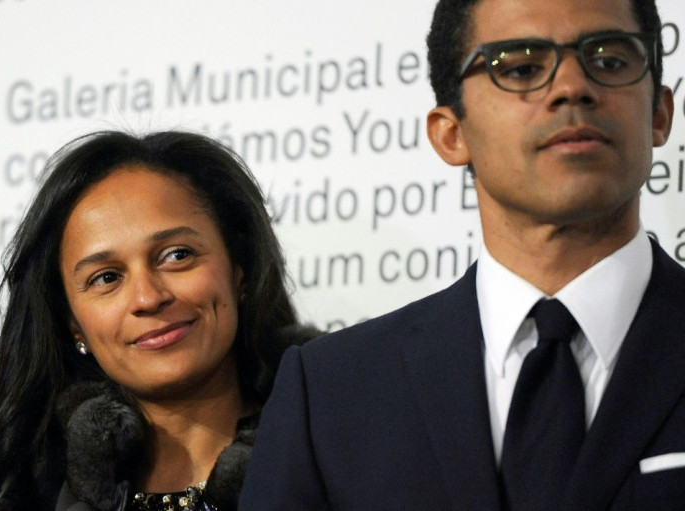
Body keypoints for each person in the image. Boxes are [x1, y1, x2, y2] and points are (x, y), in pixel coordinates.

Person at [240, 0, 685, 509]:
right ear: (451, 134)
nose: (571, 87)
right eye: (520, 67)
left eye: (609, 60)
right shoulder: (330, 393)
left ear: (659, 115)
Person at [0, 130, 319, 511]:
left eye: (176, 255)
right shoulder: (0, 496)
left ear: (239, 268)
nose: (148, 298)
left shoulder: (347, 447)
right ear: (73, 324)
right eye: (106, 278)